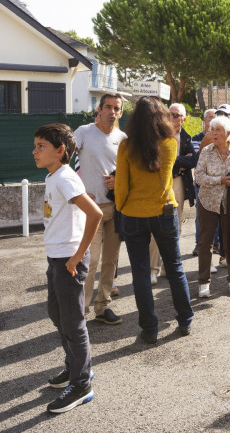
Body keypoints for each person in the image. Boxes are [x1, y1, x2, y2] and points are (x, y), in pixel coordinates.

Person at [34, 123, 102, 414]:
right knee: (57, 314)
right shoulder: (54, 177)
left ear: (60, 151)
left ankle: (82, 384)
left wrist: (78, 255)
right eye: (35, 146)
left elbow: (95, 212)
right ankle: (76, 365)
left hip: (69, 262)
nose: (34, 151)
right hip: (57, 258)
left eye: (41, 146)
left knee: (73, 322)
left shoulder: (65, 178)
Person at [115, 96, 194, 344]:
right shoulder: (171, 143)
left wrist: (122, 208)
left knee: (140, 273)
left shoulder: (126, 147)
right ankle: (185, 320)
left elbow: (121, 186)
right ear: (162, 116)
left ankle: (149, 328)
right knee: (175, 267)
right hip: (164, 211)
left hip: (134, 214)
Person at [74, 92, 125, 325]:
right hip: (91, 209)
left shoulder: (123, 138)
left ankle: (103, 306)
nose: (112, 112)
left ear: (121, 112)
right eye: (108, 107)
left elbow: (129, 172)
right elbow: (64, 161)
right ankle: (81, 310)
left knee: (110, 261)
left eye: (116, 108)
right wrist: (79, 191)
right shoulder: (84, 132)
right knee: (91, 260)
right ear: (99, 110)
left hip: (116, 207)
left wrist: (119, 181)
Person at [194, 115, 230, 296]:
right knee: (205, 242)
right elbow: (199, 177)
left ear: (228, 133)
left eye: (218, 130)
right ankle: (203, 282)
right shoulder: (206, 152)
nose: (213, 133)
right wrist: (221, 180)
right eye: (212, 129)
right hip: (208, 202)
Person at [150, 103, 197, 283]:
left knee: (174, 226)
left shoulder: (186, 137)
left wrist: (172, 162)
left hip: (178, 183)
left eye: (177, 115)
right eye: (170, 114)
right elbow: (156, 159)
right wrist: (180, 162)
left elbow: (193, 160)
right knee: (155, 224)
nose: (173, 118)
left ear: (184, 119)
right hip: (159, 184)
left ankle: (167, 267)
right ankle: (153, 269)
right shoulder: (156, 134)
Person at [191, 108, 217, 257]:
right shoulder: (195, 138)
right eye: (210, 118)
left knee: (217, 215)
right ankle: (198, 243)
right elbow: (197, 160)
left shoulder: (221, 137)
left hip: (218, 182)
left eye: (215, 118)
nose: (212, 121)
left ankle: (215, 244)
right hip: (201, 183)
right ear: (204, 120)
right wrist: (206, 140)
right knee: (200, 215)